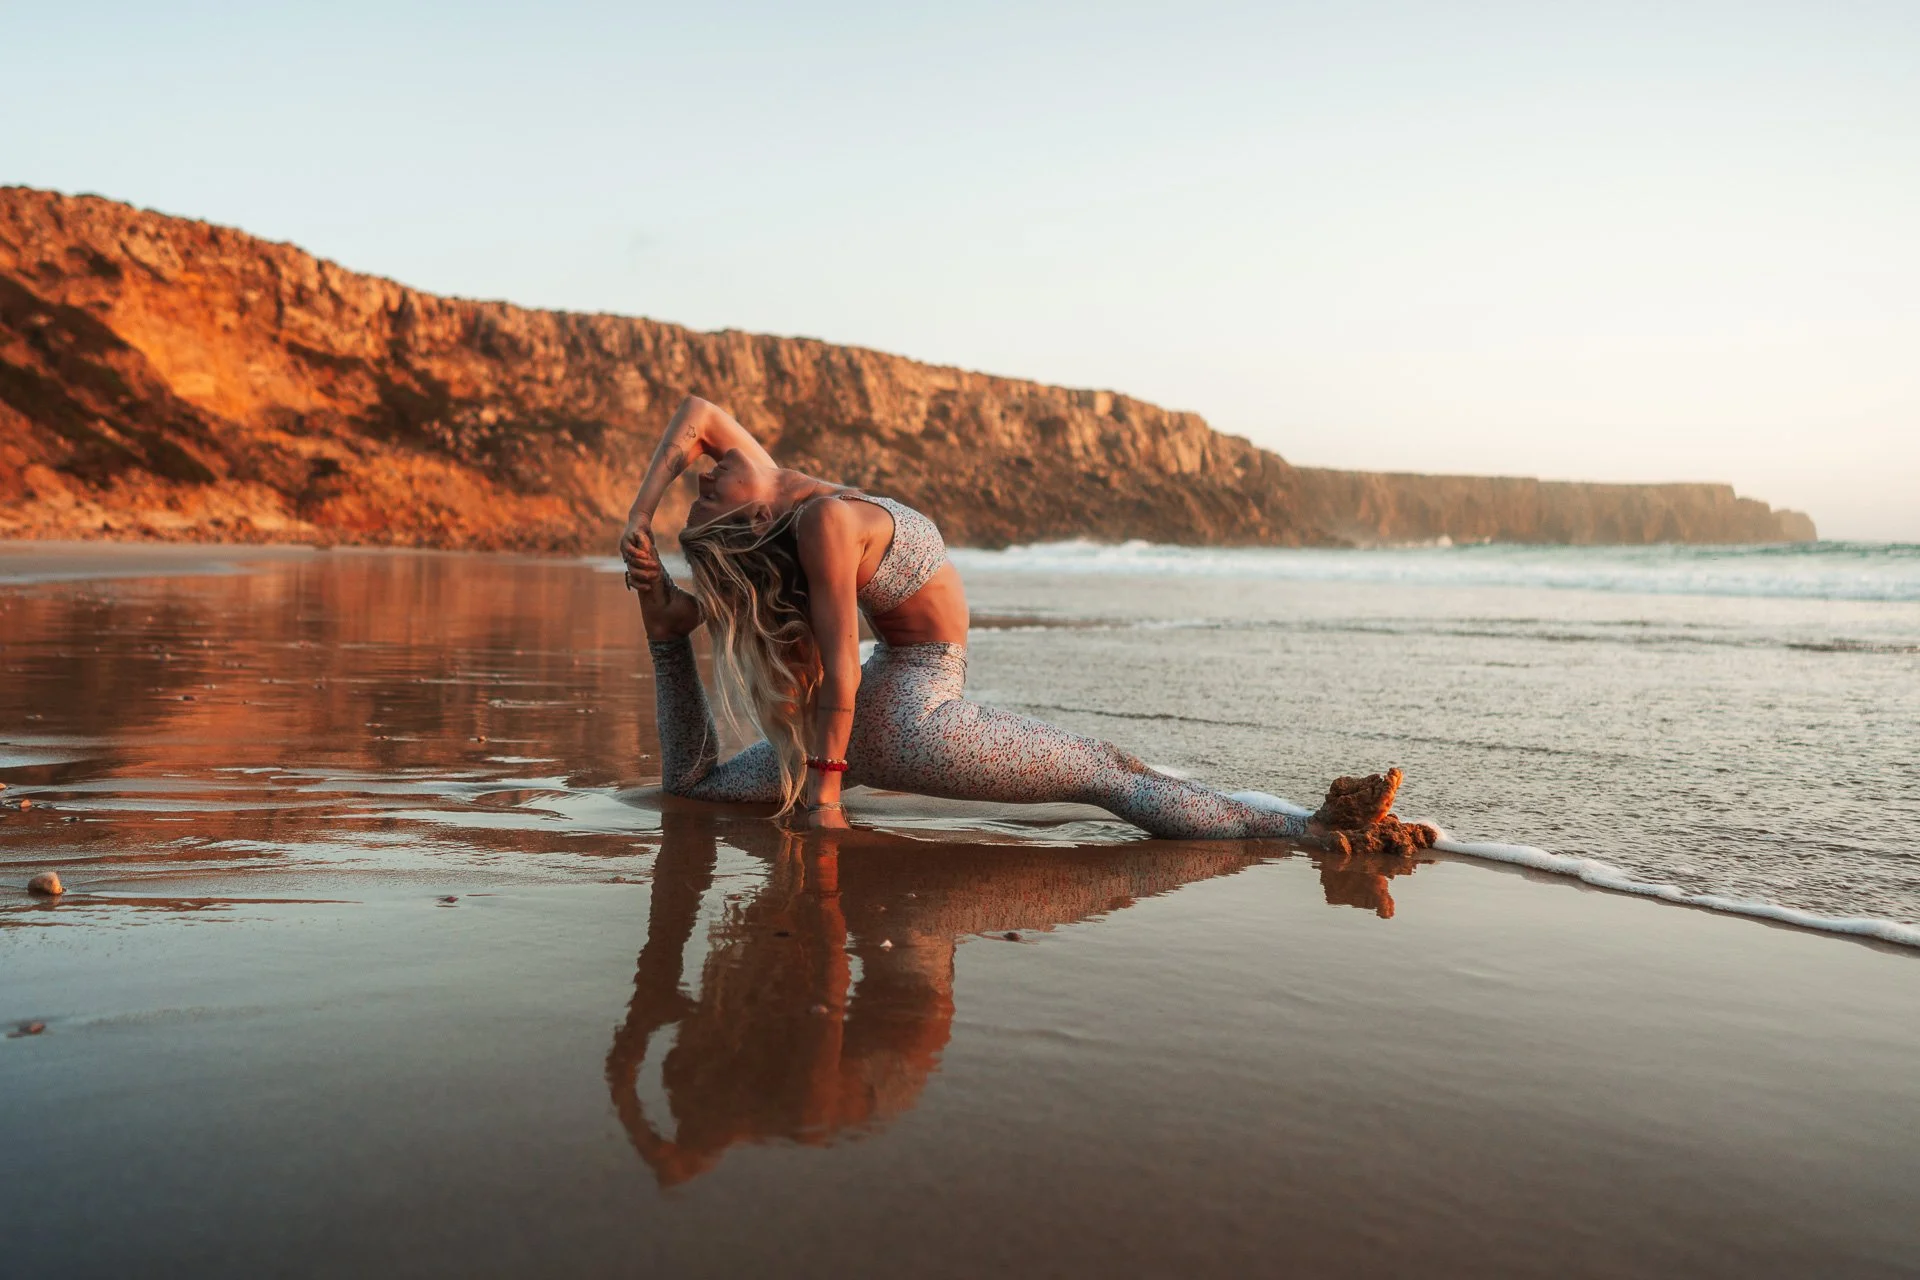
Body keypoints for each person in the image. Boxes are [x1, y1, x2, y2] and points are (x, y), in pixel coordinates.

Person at [620, 395, 1417, 843]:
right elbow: (841, 659)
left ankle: (668, 638)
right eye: (703, 499)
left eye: (700, 493)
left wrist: (643, 511)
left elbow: (699, 417)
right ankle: (1306, 833)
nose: (703, 480)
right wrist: (825, 795)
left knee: (699, 790)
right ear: (750, 526)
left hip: (881, 707)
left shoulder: (787, 492)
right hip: (903, 712)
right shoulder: (822, 521)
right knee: (1110, 773)